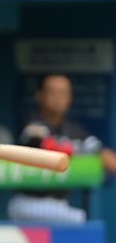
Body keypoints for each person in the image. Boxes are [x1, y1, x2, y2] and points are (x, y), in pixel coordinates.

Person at [8, 74, 116, 222]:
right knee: (80, 220)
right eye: (52, 92)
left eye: (63, 93)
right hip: (29, 201)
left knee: (81, 219)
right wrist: (73, 149)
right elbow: (44, 144)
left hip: (58, 203)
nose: (58, 98)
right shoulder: (32, 123)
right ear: (39, 95)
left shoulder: (75, 130)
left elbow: (101, 152)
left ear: (70, 97)